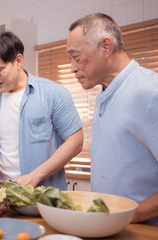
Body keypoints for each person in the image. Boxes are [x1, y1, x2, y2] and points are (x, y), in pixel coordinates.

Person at [66, 13, 158, 224]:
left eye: (75, 57)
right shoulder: (103, 94)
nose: (72, 67)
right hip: (109, 227)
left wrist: (130, 215)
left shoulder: (150, 93)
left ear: (106, 47)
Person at [0, 31, 83, 189]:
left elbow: (75, 142)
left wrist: (34, 176)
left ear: (18, 61)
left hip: (43, 194)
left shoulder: (53, 93)